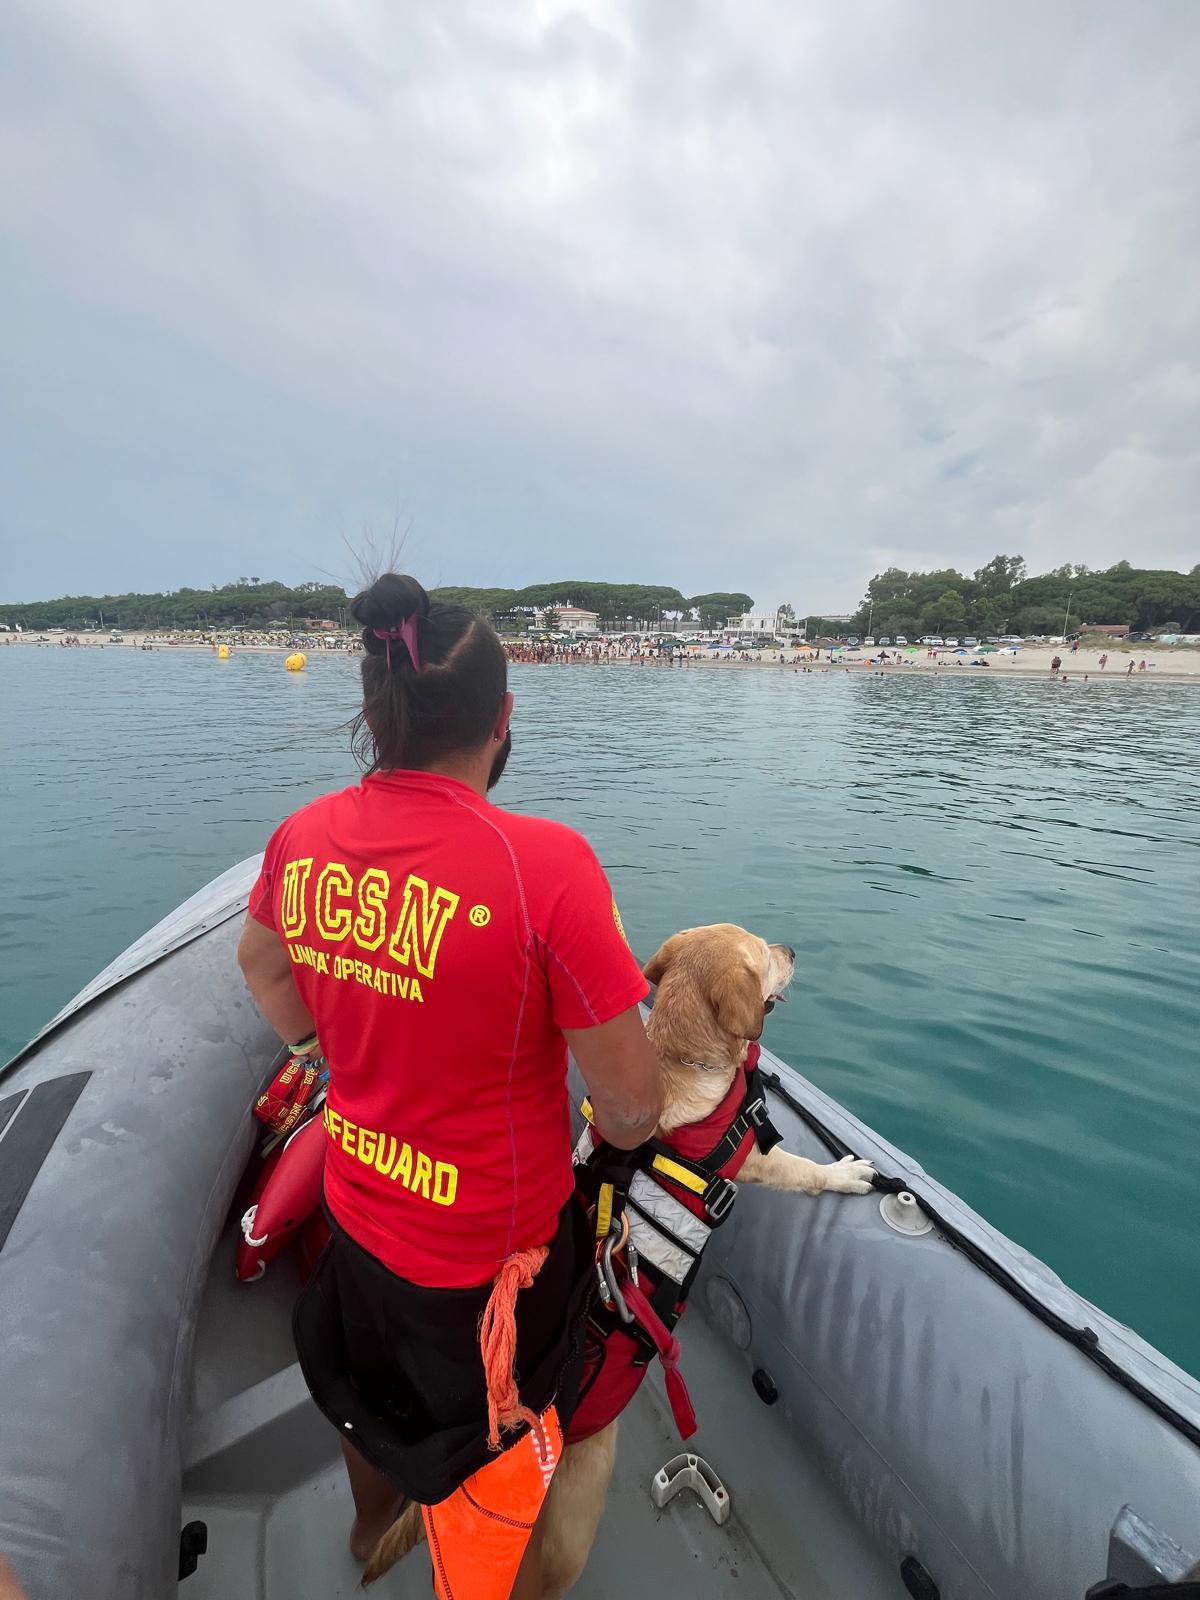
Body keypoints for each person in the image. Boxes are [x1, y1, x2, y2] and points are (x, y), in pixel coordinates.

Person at [238, 573, 662, 1599]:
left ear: (376, 713)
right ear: (503, 721)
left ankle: (366, 1536)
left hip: (358, 1220)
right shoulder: (548, 867)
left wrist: (327, 1051)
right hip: (488, 1276)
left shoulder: (301, 837)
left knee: (366, 1403)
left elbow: (260, 963)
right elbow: (635, 1106)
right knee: (491, 1461)